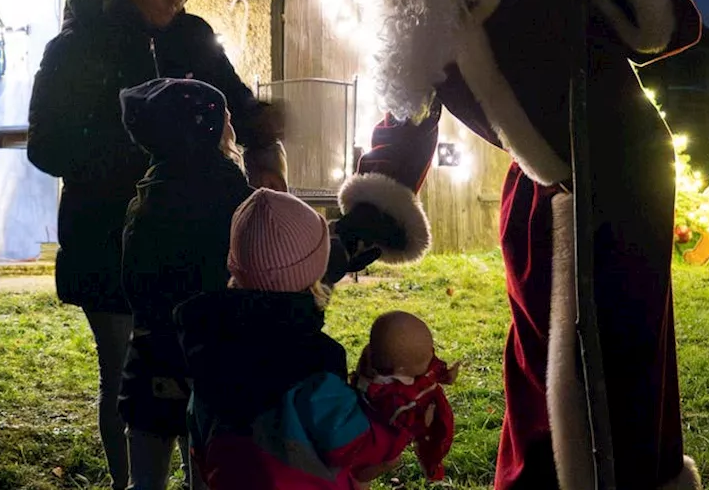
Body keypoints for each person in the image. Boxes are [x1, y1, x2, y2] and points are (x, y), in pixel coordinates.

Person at [331, 0, 703, 489]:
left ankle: (635, 473)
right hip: (538, 190)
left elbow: (674, 30)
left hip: (624, 177)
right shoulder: (418, 32)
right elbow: (403, 127)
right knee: (537, 349)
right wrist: (364, 226)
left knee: (620, 341)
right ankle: (538, 475)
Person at [27, 0, 286, 490]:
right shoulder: (71, 50)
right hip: (106, 237)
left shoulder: (192, 40)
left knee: (202, 368)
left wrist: (264, 139)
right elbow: (47, 145)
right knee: (126, 370)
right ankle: (132, 484)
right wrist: (145, 154)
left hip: (197, 234)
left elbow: (238, 106)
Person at [174, 189, 416, 489]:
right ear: (318, 270)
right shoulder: (315, 360)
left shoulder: (206, 346)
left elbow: (199, 442)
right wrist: (393, 426)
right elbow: (353, 448)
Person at [116, 77, 254, 489]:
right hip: (214, 361)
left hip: (151, 357)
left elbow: (134, 286)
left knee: (146, 474)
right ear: (207, 129)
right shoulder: (234, 197)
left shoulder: (146, 198)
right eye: (226, 119)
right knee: (208, 471)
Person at [352, 311, 459, 482]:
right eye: (425, 358)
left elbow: (431, 367)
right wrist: (423, 423)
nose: (432, 357)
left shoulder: (394, 359)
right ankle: (364, 476)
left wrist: (445, 375)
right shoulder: (386, 394)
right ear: (402, 371)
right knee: (385, 459)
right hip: (380, 434)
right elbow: (401, 420)